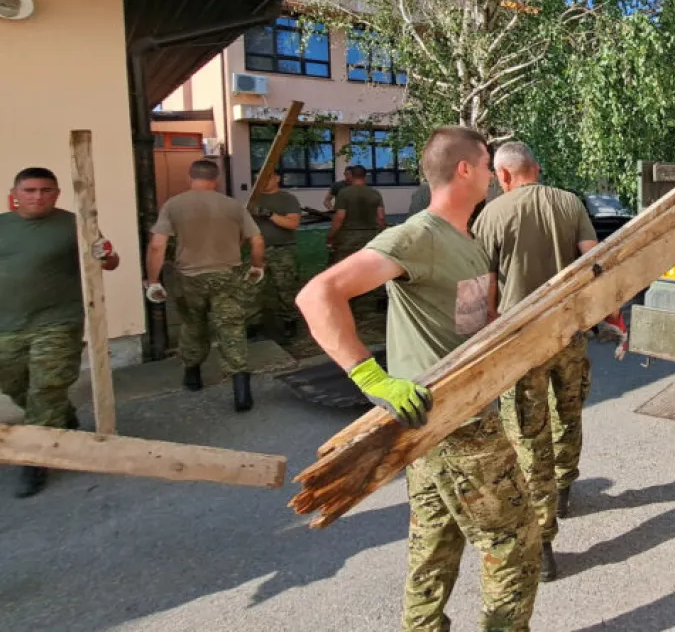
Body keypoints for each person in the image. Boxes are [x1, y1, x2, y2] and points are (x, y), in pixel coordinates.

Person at [297, 125, 539, 632]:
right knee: (514, 546)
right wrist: (372, 379)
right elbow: (318, 295)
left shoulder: (467, 241)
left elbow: (473, 322)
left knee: (434, 543)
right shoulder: (417, 236)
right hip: (454, 423)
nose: (495, 177)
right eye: (487, 164)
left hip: (444, 424)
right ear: (465, 169)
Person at [471, 141, 604, 581]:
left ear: (503, 176)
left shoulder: (491, 215)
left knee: (528, 433)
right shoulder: (570, 202)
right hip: (568, 331)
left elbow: (482, 284)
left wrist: (479, 336)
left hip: (518, 341)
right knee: (569, 411)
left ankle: (543, 540)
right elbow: (592, 257)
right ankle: (565, 484)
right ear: (538, 167)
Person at [1, 167, 121, 497]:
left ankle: (35, 459)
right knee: (13, 383)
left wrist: (105, 253)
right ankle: (62, 416)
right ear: (15, 193)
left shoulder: (75, 225)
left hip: (57, 322)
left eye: (45, 190)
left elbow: (111, 261)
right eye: (30, 190)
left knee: (47, 388)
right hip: (7, 325)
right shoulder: (2, 226)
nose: (37, 196)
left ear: (56, 193)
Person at [144, 159, 265, 412]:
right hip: (227, 276)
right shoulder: (233, 206)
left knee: (193, 325)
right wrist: (256, 266)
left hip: (189, 278)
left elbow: (157, 245)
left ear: (190, 178)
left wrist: (153, 281)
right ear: (216, 179)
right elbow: (256, 240)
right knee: (231, 328)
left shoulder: (173, 205)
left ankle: (193, 375)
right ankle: (241, 392)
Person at [327, 165, 387, 320]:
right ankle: (377, 300)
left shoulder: (344, 193)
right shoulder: (375, 193)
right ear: (365, 177)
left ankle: (349, 301)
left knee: (346, 269)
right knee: (372, 268)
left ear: (351, 176)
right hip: (370, 236)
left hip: (348, 237)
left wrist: (332, 235)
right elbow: (380, 217)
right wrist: (379, 232)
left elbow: (339, 217)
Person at [248, 172, 303, 340]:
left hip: (282, 251)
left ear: (277, 178)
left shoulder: (287, 199)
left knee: (285, 289)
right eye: (258, 178)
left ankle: (289, 322)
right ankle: (254, 325)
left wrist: (268, 214)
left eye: (267, 177)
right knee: (252, 288)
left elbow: (292, 223)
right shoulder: (253, 200)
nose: (262, 181)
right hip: (258, 251)